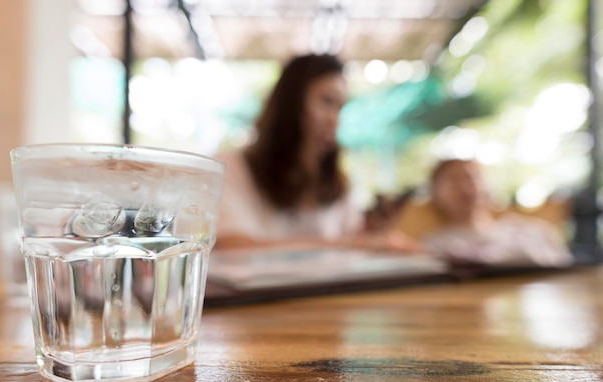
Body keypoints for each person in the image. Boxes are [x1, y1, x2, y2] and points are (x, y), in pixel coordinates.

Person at [214, 54, 418, 252]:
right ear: (290, 102)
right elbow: (236, 249)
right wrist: (347, 245)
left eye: (340, 108)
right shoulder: (231, 166)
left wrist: (371, 234)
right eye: (327, 102)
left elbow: (354, 240)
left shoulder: (336, 182)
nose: (334, 121)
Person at [422, 158, 573, 267]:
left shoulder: (534, 230)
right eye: (453, 180)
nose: (465, 187)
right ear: (435, 194)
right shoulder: (433, 247)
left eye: (472, 177)